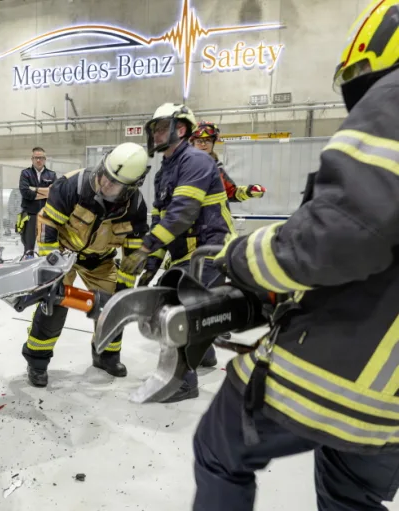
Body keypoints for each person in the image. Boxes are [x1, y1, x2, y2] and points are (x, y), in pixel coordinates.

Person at [191, 2, 399, 509]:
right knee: (350, 498)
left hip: (345, 372)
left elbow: (341, 235)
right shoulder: (190, 164)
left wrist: (238, 257)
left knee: (219, 449)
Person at [121, 103, 235, 402]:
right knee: (187, 307)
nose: (155, 134)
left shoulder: (195, 161)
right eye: (154, 129)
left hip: (210, 250)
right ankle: (206, 354)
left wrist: (145, 248)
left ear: (180, 129)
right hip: (187, 253)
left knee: (178, 314)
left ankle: (183, 383)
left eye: (161, 127)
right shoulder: (165, 171)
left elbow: (183, 214)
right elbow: (160, 218)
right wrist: (152, 264)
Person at [22, 142, 151, 387]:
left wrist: (124, 287)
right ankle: (37, 361)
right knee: (54, 304)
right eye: (104, 175)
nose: (105, 183)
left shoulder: (135, 207)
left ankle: (106, 356)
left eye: (114, 184)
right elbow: (48, 225)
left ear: (130, 188)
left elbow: (133, 251)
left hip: (100, 261)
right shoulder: (73, 185)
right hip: (63, 255)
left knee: (114, 307)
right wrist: (52, 272)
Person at [189, 121, 266, 209]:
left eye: (208, 140)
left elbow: (230, 192)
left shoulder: (217, 168)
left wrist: (248, 192)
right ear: (193, 143)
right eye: (199, 141)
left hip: (215, 220)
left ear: (213, 143)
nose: (203, 144)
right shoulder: (183, 167)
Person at [17, 147, 57, 258]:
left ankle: (45, 269)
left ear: (45, 159)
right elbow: (25, 192)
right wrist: (45, 192)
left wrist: (34, 189)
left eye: (40, 158)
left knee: (46, 248)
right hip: (30, 216)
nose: (38, 160)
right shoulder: (25, 174)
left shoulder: (52, 175)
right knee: (28, 248)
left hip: (46, 216)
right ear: (32, 159)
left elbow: (54, 193)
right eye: (36, 158)